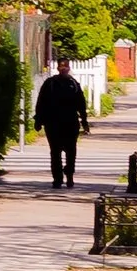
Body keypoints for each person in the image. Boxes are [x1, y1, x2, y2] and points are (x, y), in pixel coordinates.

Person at [32, 58, 88, 189]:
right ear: (57, 68)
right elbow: (41, 103)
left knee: (71, 151)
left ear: (69, 68)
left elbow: (81, 104)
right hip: (53, 123)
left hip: (70, 123)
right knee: (55, 152)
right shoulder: (50, 83)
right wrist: (38, 120)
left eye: (66, 66)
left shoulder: (74, 84)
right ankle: (57, 178)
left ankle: (69, 175)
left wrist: (84, 121)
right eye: (61, 66)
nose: (63, 68)